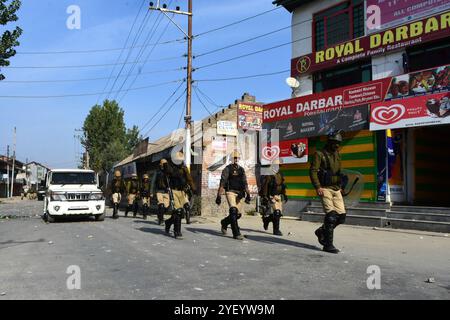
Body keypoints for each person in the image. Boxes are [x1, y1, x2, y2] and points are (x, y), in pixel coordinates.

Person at [309, 131, 347, 254]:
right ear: (329, 142)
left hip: (336, 188)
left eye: (338, 143)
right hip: (324, 188)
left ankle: (321, 231)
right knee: (331, 216)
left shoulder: (337, 154)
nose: (337, 146)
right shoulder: (319, 154)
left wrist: (341, 186)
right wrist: (317, 186)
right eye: (335, 143)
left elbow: (339, 171)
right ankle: (328, 245)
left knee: (341, 217)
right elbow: (313, 171)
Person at [216, 151, 251, 240]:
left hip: (240, 194)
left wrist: (248, 194)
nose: (236, 159)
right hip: (230, 192)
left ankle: (224, 222)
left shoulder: (242, 169)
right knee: (233, 210)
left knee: (238, 215)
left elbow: (245, 183)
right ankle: (236, 233)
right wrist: (218, 195)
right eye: (234, 158)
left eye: (237, 158)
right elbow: (222, 182)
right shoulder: (227, 169)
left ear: (239, 159)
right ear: (231, 159)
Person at [162, 152, 196, 239]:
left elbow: (189, 178)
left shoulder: (184, 168)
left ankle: (168, 222)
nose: (180, 162)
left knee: (182, 212)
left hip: (183, 192)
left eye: (181, 160)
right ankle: (177, 232)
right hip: (174, 191)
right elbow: (165, 173)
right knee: (178, 211)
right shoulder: (171, 167)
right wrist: (165, 165)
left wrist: (193, 188)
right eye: (178, 160)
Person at [259, 158, 287, 236]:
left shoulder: (280, 173)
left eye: (279, 165)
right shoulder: (269, 173)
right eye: (277, 165)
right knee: (277, 212)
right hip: (271, 195)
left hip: (278, 195)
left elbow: (282, 185)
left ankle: (267, 220)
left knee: (278, 213)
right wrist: (265, 196)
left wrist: (284, 194)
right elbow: (265, 186)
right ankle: (276, 230)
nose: (278, 166)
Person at [153, 159, 171, 225]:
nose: (164, 165)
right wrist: (151, 191)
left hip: (166, 191)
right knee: (161, 205)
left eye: (165, 163)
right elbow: (153, 182)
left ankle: (159, 215)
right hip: (159, 191)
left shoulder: (169, 171)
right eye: (163, 163)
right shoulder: (157, 172)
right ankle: (161, 219)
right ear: (160, 164)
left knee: (167, 206)